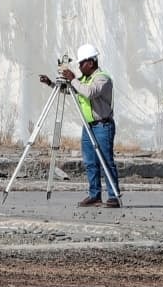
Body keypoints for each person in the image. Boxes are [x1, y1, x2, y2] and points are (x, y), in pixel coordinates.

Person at [40, 43, 120, 208]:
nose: (79, 66)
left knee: (105, 161)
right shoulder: (83, 80)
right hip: (88, 126)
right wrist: (51, 83)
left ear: (90, 62)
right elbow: (71, 91)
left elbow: (89, 92)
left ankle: (113, 196)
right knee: (90, 162)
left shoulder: (102, 78)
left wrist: (73, 79)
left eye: (81, 63)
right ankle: (94, 195)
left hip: (102, 126)